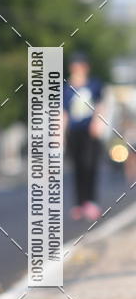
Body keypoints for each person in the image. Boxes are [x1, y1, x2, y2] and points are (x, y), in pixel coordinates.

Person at [63, 52, 105, 221]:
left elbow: (100, 105)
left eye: (81, 66)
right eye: (76, 66)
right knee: (77, 168)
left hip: (90, 132)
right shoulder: (66, 89)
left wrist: (98, 123)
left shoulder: (94, 85)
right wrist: (60, 136)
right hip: (74, 132)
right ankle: (79, 203)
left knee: (90, 166)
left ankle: (91, 202)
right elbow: (64, 113)